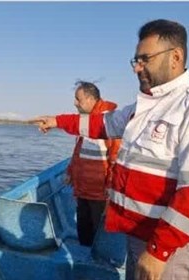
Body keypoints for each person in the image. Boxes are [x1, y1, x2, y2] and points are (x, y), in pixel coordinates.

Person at [32, 19, 189, 280]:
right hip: (136, 232)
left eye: (145, 59)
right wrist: (57, 121)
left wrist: (160, 250)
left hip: (168, 244)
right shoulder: (144, 108)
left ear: (176, 57)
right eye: (135, 60)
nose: (137, 68)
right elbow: (100, 124)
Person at [65, 81, 121, 247]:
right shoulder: (86, 122)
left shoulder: (109, 122)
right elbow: (78, 152)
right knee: (83, 229)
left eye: (78, 99)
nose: (75, 103)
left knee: (98, 233)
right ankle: (85, 254)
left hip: (100, 193)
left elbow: (116, 158)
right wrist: (70, 173)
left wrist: (110, 188)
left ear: (90, 99)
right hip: (82, 189)